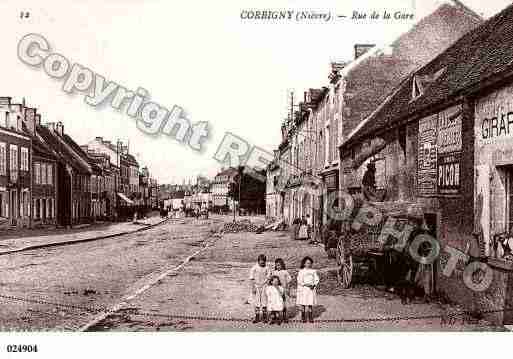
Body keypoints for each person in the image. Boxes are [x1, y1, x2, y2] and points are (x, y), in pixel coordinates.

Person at [249, 254, 271, 323]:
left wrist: (266, 285)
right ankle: (257, 317)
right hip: (256, 286)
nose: (262, 262)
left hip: (264, 286)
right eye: (260, 261)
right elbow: (252, 278)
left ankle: (264, 317)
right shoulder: (254, 268)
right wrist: (253, 288)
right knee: (257, 303)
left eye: (263, 261)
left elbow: (268, 278)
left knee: (264, 302)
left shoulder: (267, 268)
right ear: (258, 261)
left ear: (265, 261)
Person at [296, 256, 320, 323]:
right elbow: (299, 280)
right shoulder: (301, 271)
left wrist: (314, 284)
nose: (308, 265)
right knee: (303, 303)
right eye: (307, 263)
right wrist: (306, 285)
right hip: (304, 289)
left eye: (309, 263)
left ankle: (310, 316)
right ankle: (303, 316)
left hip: (311, 289)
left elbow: (316, 279)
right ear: (304, 264)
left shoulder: (313, 271)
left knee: (310, 303)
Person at [272, 258, 292, 323]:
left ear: (282, 265)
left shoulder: (285, 272)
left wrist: (288, 289)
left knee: (284, 303)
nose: (278, 267)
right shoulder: (274, 272)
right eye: (277, 265)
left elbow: (289, 281)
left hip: (284, 290)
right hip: (276, 291)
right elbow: (271, 281)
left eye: (279, 265)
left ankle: (284, 316)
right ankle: (275, 316)